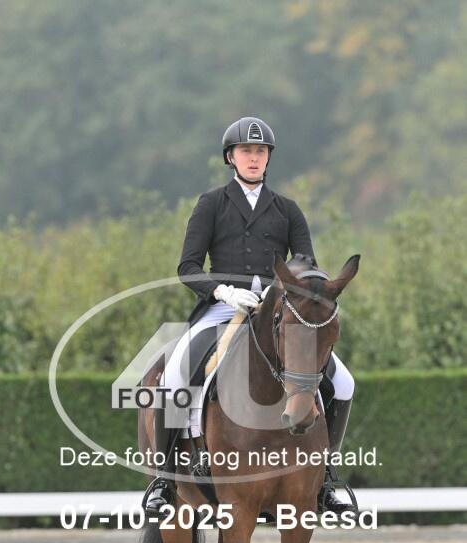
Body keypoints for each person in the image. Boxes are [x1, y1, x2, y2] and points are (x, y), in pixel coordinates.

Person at [143, 116, 356, 517]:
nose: (254, 158)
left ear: (268, 157)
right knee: (174, 376)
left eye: (260, 151)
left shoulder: (287, 209)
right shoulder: (211, 204)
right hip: (224, 307)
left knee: (343, 382)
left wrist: (293, 292)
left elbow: (306, 263)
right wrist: (223, 291)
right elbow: (188, 267)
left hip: (278, 312)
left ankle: (326, 477)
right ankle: (164, 480)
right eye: (246, 151)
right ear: (231, 157)